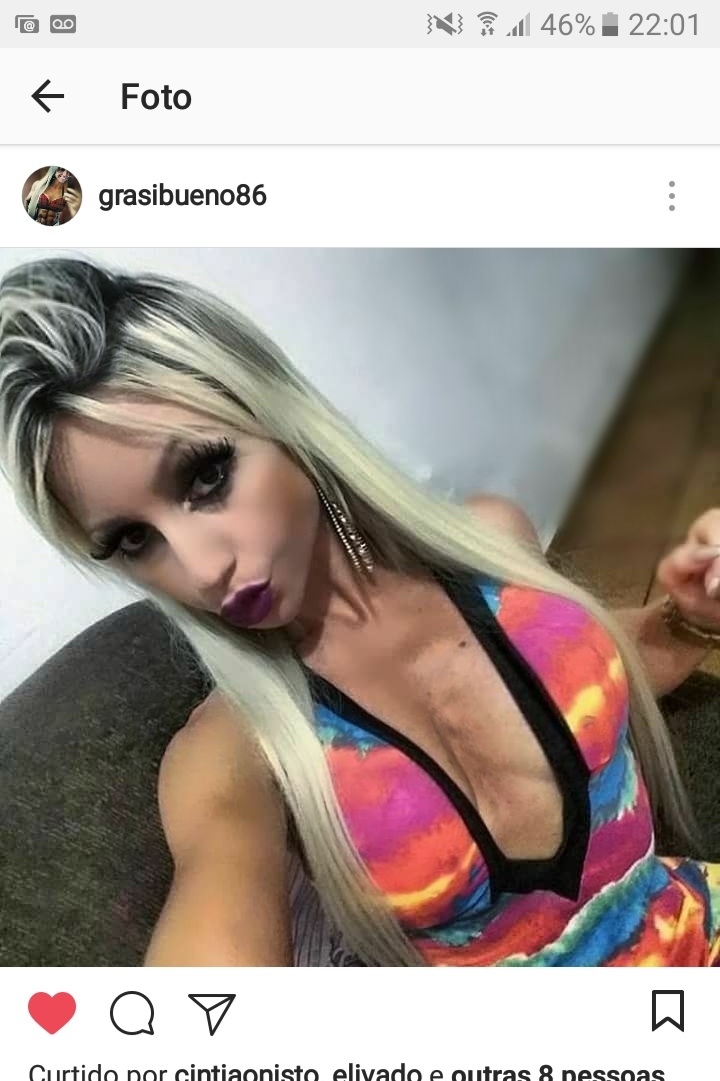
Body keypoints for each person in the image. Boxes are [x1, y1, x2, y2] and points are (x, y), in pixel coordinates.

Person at [1, 256, 719, 968]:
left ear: (284, 422)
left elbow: (586, 680)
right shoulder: (235, 752)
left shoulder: (489, 541)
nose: (199, 566)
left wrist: (691, 618)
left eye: (207, 476)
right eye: (134, 540)